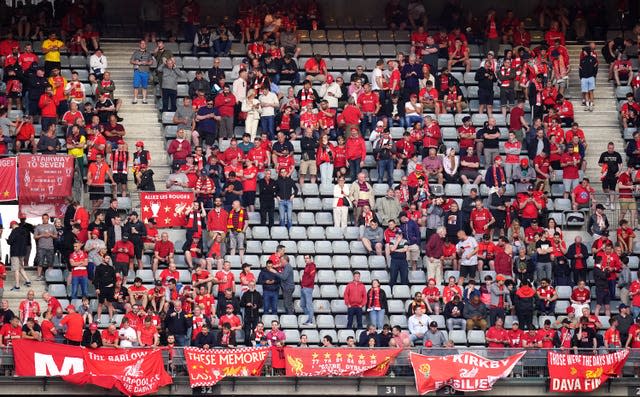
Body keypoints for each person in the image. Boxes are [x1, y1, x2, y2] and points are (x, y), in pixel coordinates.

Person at [130, 39, 155, 104]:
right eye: (142, 43)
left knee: (145, 86)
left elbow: (151, 62)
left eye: (144, 43)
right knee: (136, 85)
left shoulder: (148, 53)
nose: (143, 44)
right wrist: (137, 62)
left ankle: (144, 99)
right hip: (137, 71)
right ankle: (135, 98)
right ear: (139, 44)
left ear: (146, 45)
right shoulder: (136, 52)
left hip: (145, 71)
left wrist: (146, 62)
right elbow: (131, 61)